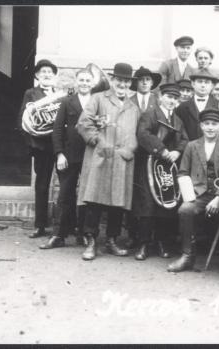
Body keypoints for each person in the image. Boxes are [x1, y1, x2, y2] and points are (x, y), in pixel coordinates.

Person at [76, 62, 139, 260]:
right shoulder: (97, 99)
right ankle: (91, 241)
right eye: (119, 79)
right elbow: (83, 123)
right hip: (100, 158)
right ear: (112, 80)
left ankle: (112, 240)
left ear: (130, 83)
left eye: (126, 81)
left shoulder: (133, 107)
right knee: (94, 200)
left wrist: (129, 149)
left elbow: (136, 133)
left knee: (117, 203)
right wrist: (98, 142)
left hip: (122, 160)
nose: (122, 84)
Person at [133, 83, 189, 260]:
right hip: (149, 164)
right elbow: (143, 135)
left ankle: (161, 242)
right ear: (161, 97)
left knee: (167, 203)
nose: (172, 101)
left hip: (167, 167)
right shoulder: (149, 114)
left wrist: (177, 151)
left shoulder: (178, 120)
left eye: (175, 98)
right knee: (147, 204)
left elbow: (185, 139)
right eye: (169, 97)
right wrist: (162, 150)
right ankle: (143, 244)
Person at [167, 108, 219, 272]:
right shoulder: (191, 146)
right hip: (199, 194)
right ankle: (188, 256)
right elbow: (183, 172)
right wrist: (190, 196)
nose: (210, 127)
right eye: (206, 124)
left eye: (214, 124)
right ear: (201, 126)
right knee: (185, 210)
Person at [40, 68, 93, 249]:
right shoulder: (66, 101)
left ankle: (84, 234)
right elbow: (57, 130)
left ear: (92, 83)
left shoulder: (97, 102)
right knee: (64, 195)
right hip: (69, 156)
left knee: (87, 196)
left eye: (88, 80)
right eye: (82, 80)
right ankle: (59, 235)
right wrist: (59, 154)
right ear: (76, 82)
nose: (84, 83)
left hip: (91, 156)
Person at [18, 59, 60, 239]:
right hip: (42, 147)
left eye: (50, 72)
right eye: (43, 72)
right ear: (37, 75)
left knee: (66, 186)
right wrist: (33, 143)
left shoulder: (60, 95)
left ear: (54, 75)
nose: (47, 74)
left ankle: (65, 225)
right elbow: (23, 120)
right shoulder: (30, 93)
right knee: (42, 185)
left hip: (60, 147)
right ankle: (40, 225)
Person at [175, 71, 219, 141]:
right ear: (193, 84)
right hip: (189, 147)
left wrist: (214, 142)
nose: (203, 85)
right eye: (200, 82)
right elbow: (179, 129)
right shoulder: (182, 107)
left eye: (206, 82)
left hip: (214, 148)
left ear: (212, 86)